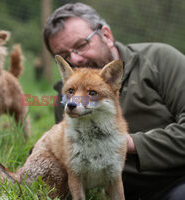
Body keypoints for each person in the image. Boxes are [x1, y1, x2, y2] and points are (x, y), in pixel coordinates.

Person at [43, 2, 185, 200]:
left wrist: (129, 143)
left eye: (81, 45)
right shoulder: (66, 97)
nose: (76, 59)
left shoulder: (160, 60)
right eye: (66, 56)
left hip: (177, 180)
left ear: (107, 35)